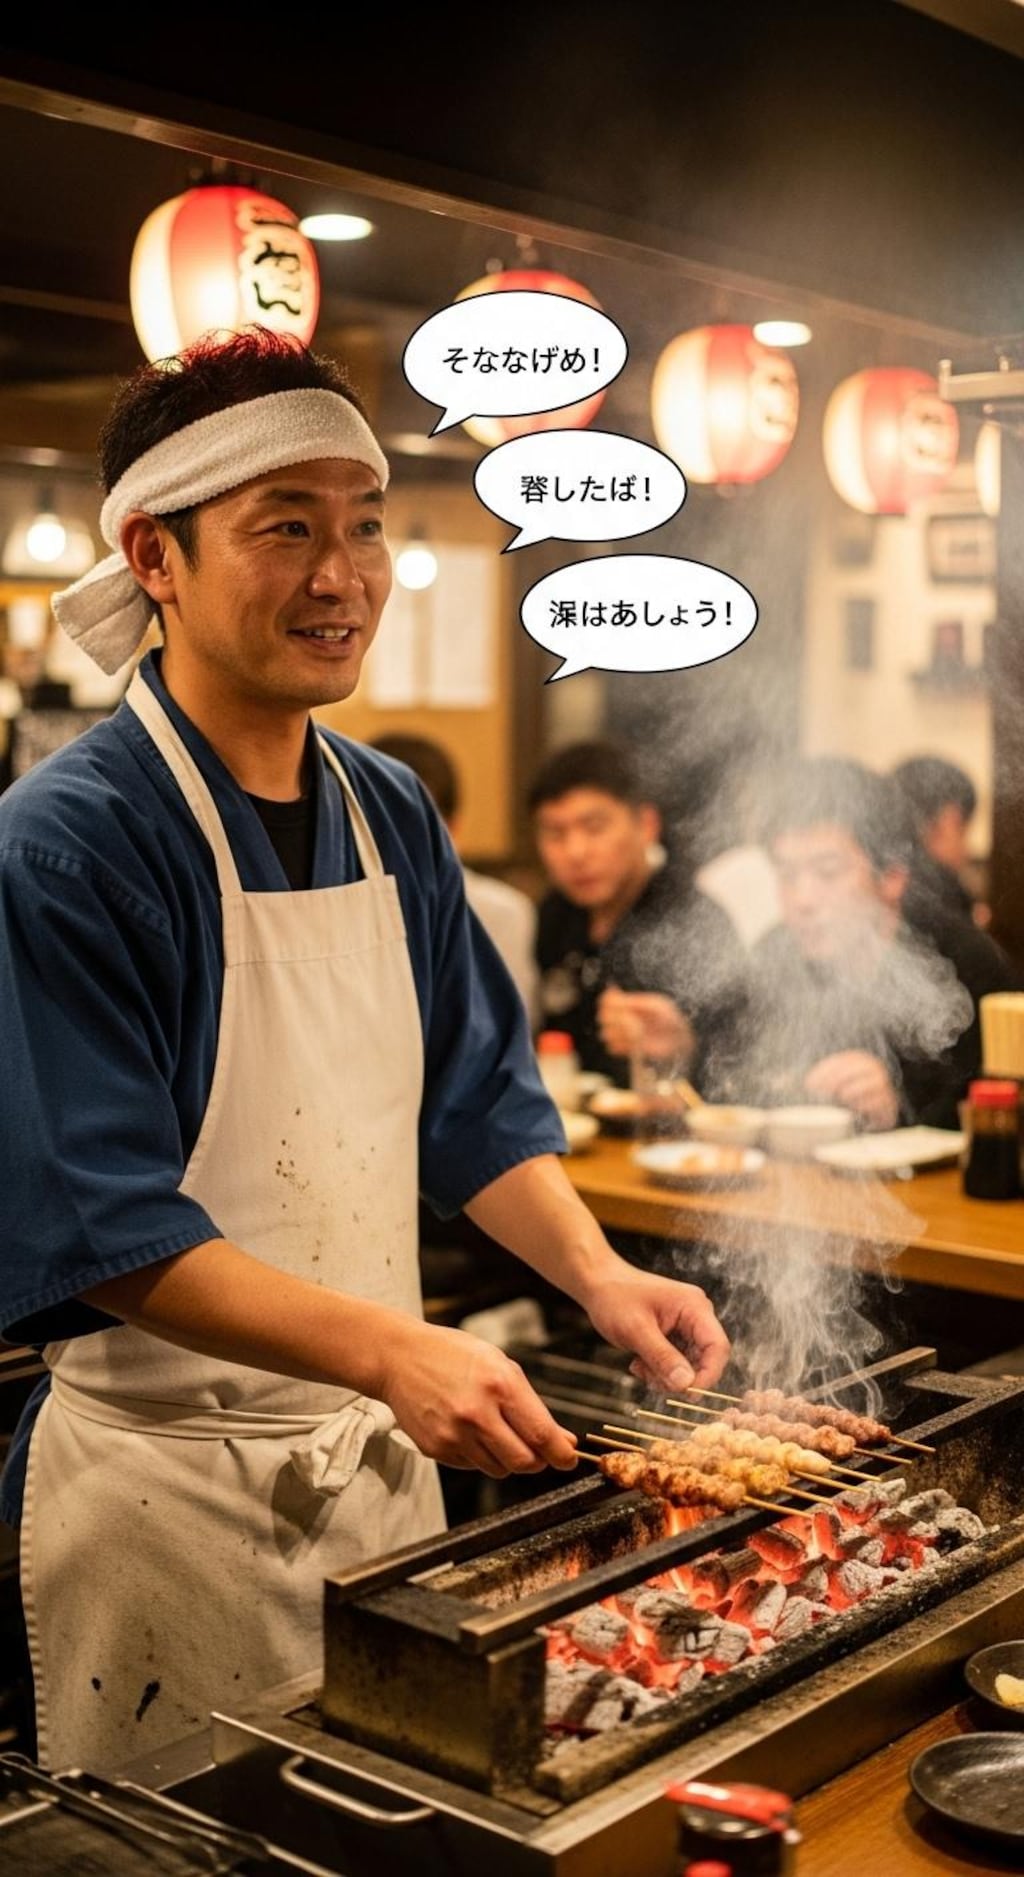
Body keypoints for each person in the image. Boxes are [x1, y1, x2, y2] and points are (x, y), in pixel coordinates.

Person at [0, 329, 729, 1773]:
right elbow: (104, 1229)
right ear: (154, 556)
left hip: (387, 1472)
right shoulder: (65, 845)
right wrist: (396, 1349)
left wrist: (598, 1274)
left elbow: (476, 1106)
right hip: (163, 1495)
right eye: (287, 529)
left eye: (367, 527)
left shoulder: (389, 809)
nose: (343, 576)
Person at [741, 756, 1014, 1130]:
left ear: (892, 878)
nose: (802, 900)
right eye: (787, 875)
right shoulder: (774, 953)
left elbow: (998, 1116)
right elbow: (731, 1080)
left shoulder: (966, 964)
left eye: (827, 872)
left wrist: (899, 1109)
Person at [529, 739, 749, 1092]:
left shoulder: (695, 921)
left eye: (594, 827)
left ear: (646, 825)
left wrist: (685, 1048)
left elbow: (746, 1059)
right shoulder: (553, 915)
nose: (576, 852)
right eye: (555, 833)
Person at [370, 731, 540, 1025]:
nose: (396, 842)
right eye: (380, 822)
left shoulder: (499, 913)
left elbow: (506, 1028)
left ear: (452, 828)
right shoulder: (345, 907)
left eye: (413, 825)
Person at [890, 755, 985, 928]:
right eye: (963, 832)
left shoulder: (881, 882)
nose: (967, 852)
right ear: (948, 823)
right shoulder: (943, 899)